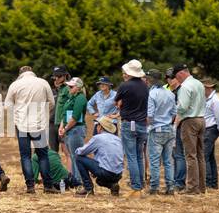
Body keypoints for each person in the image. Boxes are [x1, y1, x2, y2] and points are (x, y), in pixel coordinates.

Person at [4, 65, 58, 194]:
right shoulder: (43, 83)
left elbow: (7, 106)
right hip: (39, 125)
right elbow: (51, 102)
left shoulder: (15, 85)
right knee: (42, 155)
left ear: (20, 73)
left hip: (22, 125)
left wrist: (18, 114)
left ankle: (30, 186)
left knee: (25, 156)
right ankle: (48, 186)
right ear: (32, 72)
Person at [115, 59, 149, 192]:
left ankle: (136, 186)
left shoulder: (125, 86)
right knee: (140, 155)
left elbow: (116, 101)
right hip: (142, 124)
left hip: (129, 123)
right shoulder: (145, 86)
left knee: (131, 156)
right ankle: (141, 182)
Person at [171, 63, 206, 194]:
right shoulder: (198, 83)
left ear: (181, 73)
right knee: (200, 155)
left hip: (189, 121)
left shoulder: (185, 86)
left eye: (176, 76)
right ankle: (202, 187)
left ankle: (192, 188)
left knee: (190, 156)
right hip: (201, 119)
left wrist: (173, 109)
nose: (176, 79)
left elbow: (182, 107)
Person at [73, 115, 124, 196]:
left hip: (106, 172)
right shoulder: (117, 139)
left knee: (78, 158)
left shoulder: (98, 138)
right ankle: (113, 185)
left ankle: (88, 188)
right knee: (99, 181)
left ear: (100, 127)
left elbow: (81, 152)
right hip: (118, 174)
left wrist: (76, 151)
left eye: (97, 125)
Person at [144, 69, 177, 195]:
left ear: (151, 79)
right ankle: (170, 187)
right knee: (168, 161)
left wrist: (149, 125)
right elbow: (174, 113)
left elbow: (150, 115)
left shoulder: (152, 94)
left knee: (154, 160)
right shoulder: (170, 93)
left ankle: (154, 187)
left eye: (147, 79)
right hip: (169, 129)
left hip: (156, 130)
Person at [58, 77, 88, 186]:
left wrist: (65, 129)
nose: (69, 87)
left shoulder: (80, 98)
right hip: (70, 129)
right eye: (69, 86)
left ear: (78, 87)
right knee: (73, 155)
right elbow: (64, 114)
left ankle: (79, 181)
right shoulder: (71, 97)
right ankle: (75, 180)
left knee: (77, 156)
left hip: (76, 129)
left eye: (71, 86)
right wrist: (61, 127)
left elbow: (75, 118)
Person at [203, 81, 219, 190]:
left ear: (208, 88)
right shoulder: (210, 99)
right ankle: (213, 183)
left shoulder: (215, 100)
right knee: (210, 157)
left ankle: (208, 183)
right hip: (210, 129)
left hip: (211, 129)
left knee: (204, 156)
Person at [49, 66, 71, 153]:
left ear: (65, 76)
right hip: (51, 123)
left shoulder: (69, 89)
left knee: (67, 151)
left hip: (63, 123)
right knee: (53, 152)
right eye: (55, 77)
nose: (56, 79)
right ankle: (56, 167)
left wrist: (66, 125)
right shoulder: (52, 91)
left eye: (59, 76)